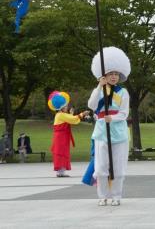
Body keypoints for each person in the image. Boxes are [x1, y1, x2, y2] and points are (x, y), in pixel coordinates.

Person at [87, 47, 131, 206]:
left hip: (118, 132)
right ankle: (102, 196)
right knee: (100, 167)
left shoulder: (123, 92)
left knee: (118, 166)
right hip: (101, 131)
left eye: (116, 74)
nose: (113, 77)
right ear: (104, 75)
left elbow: (124, 113)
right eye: (110, 74)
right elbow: (91, 106)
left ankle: (117, 196)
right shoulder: (98, 91)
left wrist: (111, 118)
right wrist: (99, 86)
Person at [49, 91, 89, 177]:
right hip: (61, 137)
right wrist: (82, 114)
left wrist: (71, 114)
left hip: (62, 137)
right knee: (61, 153)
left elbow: (69, 118)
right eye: (66, 106)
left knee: (62, 153)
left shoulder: (61, 115)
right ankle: (60, 171)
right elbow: (73, 119)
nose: (67, 107)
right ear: (61, 108)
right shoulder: (60, 115)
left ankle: (61, 171)